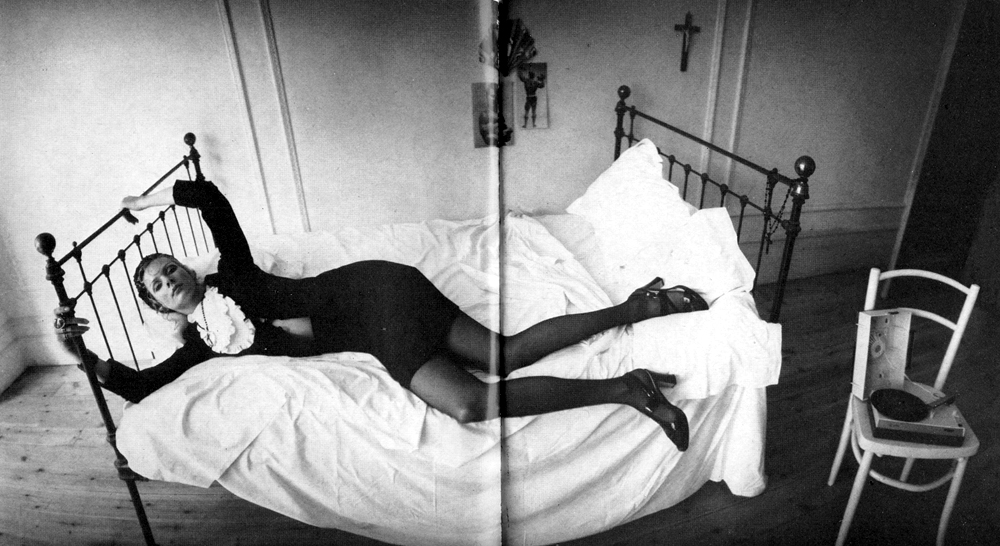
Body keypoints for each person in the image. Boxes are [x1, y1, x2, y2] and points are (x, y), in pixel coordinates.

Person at [56, 180, 709, 451]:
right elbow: (142, 384)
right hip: (371, 330)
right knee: (473, 399)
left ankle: (637, 307)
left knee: (498, 360)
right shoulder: (202, 347)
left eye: (169, 266)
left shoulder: (234, 271)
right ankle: (632, 384)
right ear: (159, 306)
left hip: (375, 290)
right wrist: (80, 354)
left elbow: (212, 203)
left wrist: (151, 202)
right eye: (157, 285)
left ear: (187, 268)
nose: (169, 278)